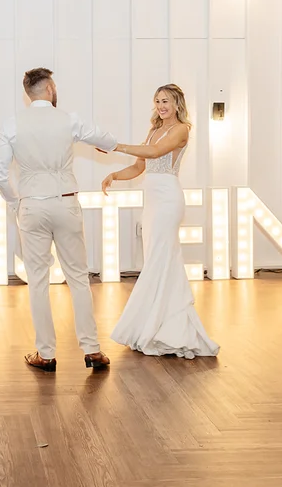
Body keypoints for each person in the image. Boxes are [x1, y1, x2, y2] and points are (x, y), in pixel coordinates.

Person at [0, 67, 116, 372]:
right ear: (50, 89)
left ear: (28, 93)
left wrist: (15, 202)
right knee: (78, 278)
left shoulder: (12, 124)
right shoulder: (68, 120)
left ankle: (46, 354)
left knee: (37, 281)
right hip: (65, 201)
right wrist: (106, 145)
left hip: (31, 205)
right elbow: (105, 138)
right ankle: (92, 349)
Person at [102, 84, 219, 360]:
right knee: (157, 260)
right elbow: (140, 166)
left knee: (161, 260)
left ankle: (166, 328)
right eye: (157, 101)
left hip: (168, 200)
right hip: (152, 204)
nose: (161, 106)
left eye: (166, 101)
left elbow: (155, 153)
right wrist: (115, 175)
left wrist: (116, 146)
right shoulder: (154, 130)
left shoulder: (181, 129)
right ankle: (155, 326)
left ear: (177, 104)